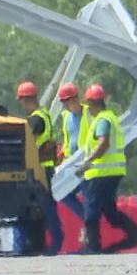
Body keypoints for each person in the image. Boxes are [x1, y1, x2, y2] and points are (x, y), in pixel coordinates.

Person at [77, 83, 137, 254]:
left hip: (102, 173)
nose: (88, 110)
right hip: (113, 172)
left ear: (93, 104)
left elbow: (103, 143)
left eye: (89, 106)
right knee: (109, 211)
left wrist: (88, 162)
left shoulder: (102, 120)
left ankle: (94, 248)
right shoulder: (110, 117)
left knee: (91, 212)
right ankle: (136, 233)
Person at [14, 81, 63, 255]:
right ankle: (41, 244)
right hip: (44, 167)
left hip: (39, 168)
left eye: (22, 101)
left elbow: (28, 141)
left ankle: (56, 242)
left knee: (45, 206)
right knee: (43, 206)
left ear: (26, 99)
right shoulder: (44, 114)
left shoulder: (36, 119)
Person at [55, 82, 88, 224]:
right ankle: (87, 220)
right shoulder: (66, 117)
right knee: (62, 193)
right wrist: (62, 154)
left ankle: (90, 225)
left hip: (86, 163)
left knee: (86, 192)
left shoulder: (89, 113)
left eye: (72, 101)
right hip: (71, 163)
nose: (70, 105)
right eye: (66, 103)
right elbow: (69, 139)